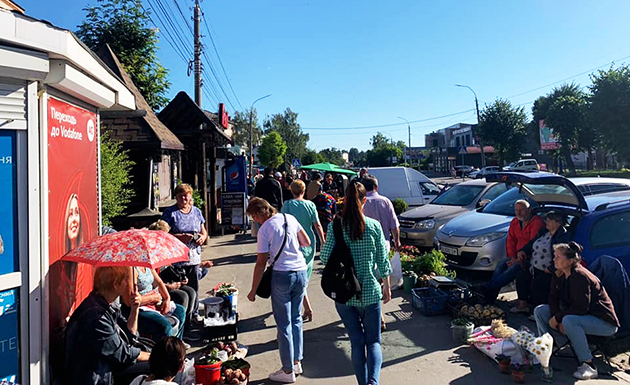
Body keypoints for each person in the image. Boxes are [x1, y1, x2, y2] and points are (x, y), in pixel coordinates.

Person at [320, 181, 392, 385]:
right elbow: (383, 261)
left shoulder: (336, 226)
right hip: (370, 290)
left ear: (345, 199)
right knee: (375, 341)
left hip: (345, 293)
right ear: (364, 201)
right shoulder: (373, 226)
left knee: (356, 343)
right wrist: (386, 286)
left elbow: (325, 256)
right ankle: (373, 382)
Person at [246, 197, 311, 383]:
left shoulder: (265, 229)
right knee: (296, 318)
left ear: (260, 213)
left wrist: (253, 290)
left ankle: (287, 370)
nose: (255, 221)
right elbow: (305, 241)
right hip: (300, 271)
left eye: (254, 217)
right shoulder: (289, 218)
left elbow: (260, 262)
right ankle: (297, 361)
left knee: (283, 324)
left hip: (282, 275)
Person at [534, 242, 619, 380]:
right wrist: (555, 316)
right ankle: (547, 349)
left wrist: (559, 318)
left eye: (558, 257)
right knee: (540, 311)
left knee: (569, 320)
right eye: (554, 256)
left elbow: (581, 307)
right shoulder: (559, 273)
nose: (554, 259)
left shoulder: (580, 276)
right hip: (578, 316)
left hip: (603, 322)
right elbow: (553, 297)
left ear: (570, 261)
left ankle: (588, 365)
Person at [64, 266, 151, 385]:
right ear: (115, 284)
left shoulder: (106, 304)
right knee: (154, 367)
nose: (128, 284)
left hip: (107, 365)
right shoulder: (96, 317)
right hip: (95, 375)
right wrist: (152, 357)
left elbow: (130, 336)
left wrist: (134, 310)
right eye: (126, 280)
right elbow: (122, 354)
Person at [161, 183, 212, 323]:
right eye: (180, 195)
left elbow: (203, 230)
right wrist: (179, 237)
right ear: (176, 197)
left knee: (194, 287)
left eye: (186, 195)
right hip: (177, 257)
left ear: (190, 196)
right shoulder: (170, 213)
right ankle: (183, 317)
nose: (184, 198)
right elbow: (162, 233)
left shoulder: (196, 211)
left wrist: (203, 237)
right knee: (181, 287)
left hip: (194, 255)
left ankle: (194, 314)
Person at [480, 199, 544, 302]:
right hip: (516, 256)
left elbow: (533, 244)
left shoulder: (537, 222)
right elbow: (511, 240)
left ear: (529, 210)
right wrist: (513, 257)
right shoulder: (515, 221)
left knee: (514, 269)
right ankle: (490, 297)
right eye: (516, 210)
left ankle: (487, 288)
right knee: (501, 265)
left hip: (530, 258)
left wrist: (519, 259)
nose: (518, 213)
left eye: (522, 210)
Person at [282, 180, 326, 322]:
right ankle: (307, 308)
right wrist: (323, 241)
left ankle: (306, 308)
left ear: (291, 190)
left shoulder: (287, 205)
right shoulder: (310, 205)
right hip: (309, 242)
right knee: (304, 275)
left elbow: (282, 224)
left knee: (299, 277)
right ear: (305, 190)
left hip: (293, 243)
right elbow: (317, 225)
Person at [512, 211, 571, 313]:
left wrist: (551, 268)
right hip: (533, 266)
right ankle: (523, 305)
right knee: (521, 277)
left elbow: (562, 255)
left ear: (558, 223)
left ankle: (539, 311)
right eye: (546, 220)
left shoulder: (563, 236)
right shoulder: (543, 231)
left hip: (548, 270)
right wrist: (523, 251)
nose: (546, 222)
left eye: (549, 220)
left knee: (538, 284)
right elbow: (532, 243)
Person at [361, 175, 401, 253]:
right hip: (384, 244)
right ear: (376, 187)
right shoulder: (385, 201)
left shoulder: (360, 203)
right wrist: (397, 242)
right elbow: (394, 225)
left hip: (364, 246)